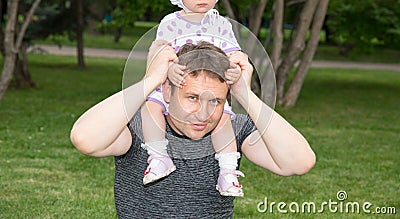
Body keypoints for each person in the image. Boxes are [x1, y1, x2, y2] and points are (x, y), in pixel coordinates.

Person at [70, 41, 316, 218]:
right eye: (192, 97)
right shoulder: (140, 127)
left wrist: (245, 94)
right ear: (167, 91)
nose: (203, 113)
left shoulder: (233, 131)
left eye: (215, 101)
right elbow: (85, 139)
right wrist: (151, 79)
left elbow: (298, 162)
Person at [140, 0, 245, 196]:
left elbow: (233, 53)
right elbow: (158, 53)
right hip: (174, 87)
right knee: (150, 107)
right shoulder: (170, 22)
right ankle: (158, 157)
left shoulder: (221, 25)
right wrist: (169, 68)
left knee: (224, 120)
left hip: (207, 90)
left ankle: (228, 172)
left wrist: (234, 68)